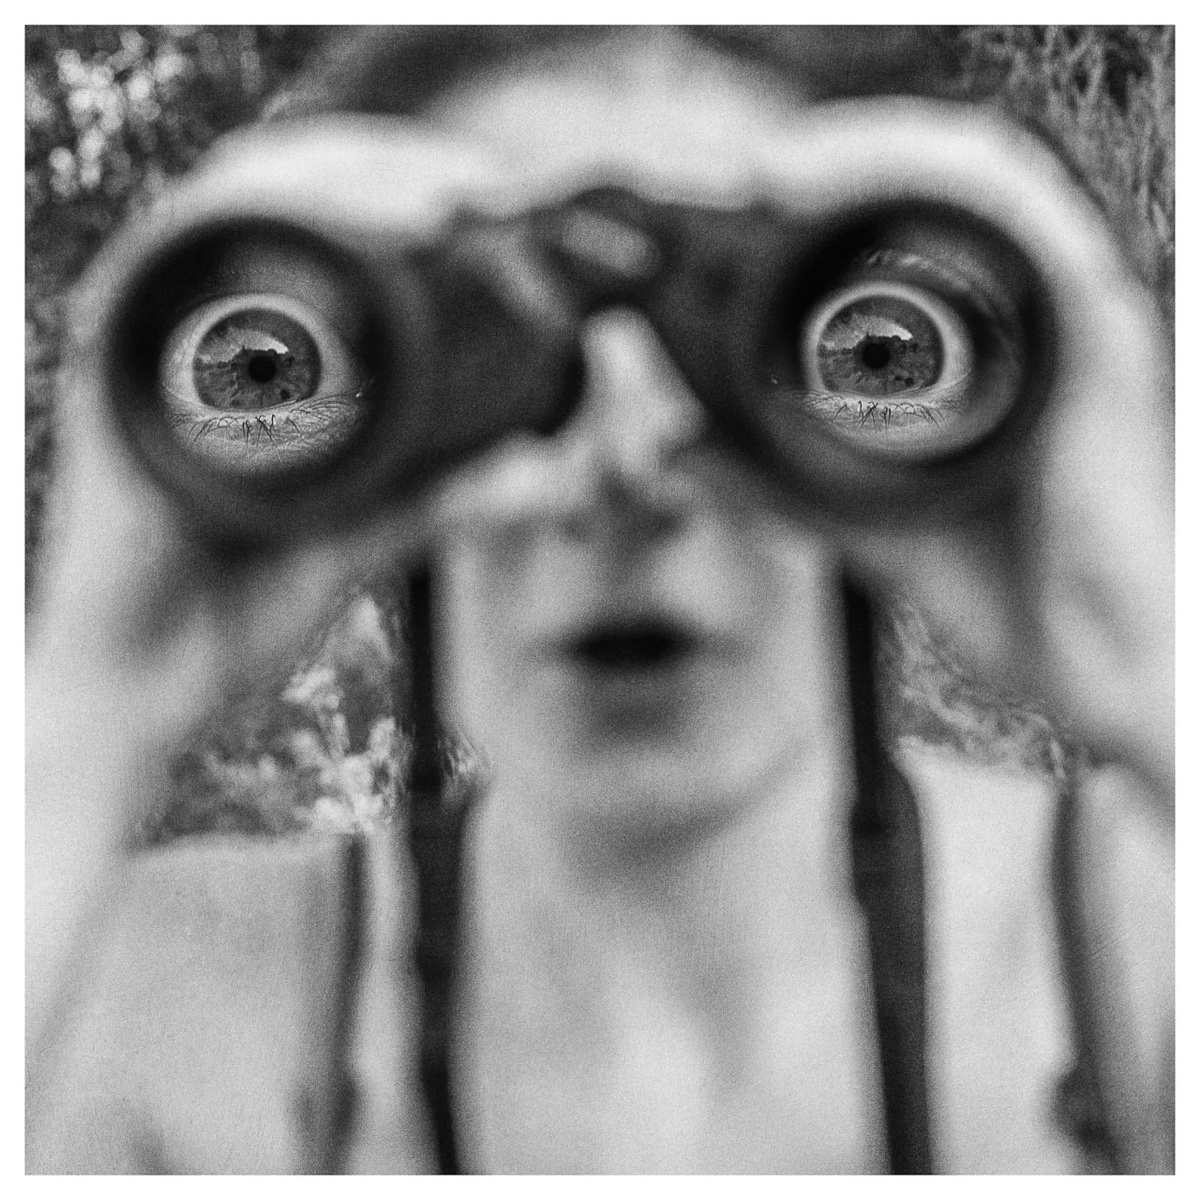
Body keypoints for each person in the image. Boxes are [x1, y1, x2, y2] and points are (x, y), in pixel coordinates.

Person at [26, 26, 1173, 1174]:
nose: (625, 471)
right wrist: (94, 705)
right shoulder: (163, 1007)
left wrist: (1151, 653)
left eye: (862, 351)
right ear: (384, 433)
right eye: (493, 344)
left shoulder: (1143, 935)